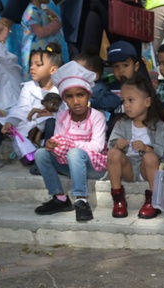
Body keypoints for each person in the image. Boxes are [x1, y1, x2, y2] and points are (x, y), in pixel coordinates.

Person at [0, 43, 62, 173]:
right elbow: (22, 108)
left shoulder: (62, 89)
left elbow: (66, 112)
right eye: (31, 64)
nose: (32, 68)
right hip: (30, 124)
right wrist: (11, 121)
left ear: (53, 70)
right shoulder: (28, 87)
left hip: (51, 127)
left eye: (38, 65)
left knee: (51, 122)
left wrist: (52, 115)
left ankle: (47, 161)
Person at [33, 61, 107, 222]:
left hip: (94, 166)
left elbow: (98, 146)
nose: (76, 101)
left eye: (80, 95)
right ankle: (59, 198)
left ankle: (81, 200)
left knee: (74, 153)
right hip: (70, 164)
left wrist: (71, 145)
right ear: (64, 99)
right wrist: (52, 145)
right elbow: (60, 141)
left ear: (88, 95)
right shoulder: (62, 116)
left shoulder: (97, 116)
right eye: (69, 96)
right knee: (41, 154)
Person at [107, 76, 164, 219]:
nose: (126, 105)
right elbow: (110, 144)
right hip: (128, 168)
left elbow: (163, 151)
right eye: (124, 101)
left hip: (148, 169)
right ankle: (118, 199)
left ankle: (153, 200)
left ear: (147, 102)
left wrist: (146, 148)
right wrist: (117, 144)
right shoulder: (121, 123)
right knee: (113, 154)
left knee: (150, 157)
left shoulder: (158, 125)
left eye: (131, 100)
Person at [20, 0, 68, 80]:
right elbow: (40, 32)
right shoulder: (31, 11)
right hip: (37, 54)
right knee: (36, 77)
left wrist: (54, 17)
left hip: (47, 53)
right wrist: (55, 24)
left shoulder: (41, 11)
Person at [73, 52, 122, 118]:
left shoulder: (99, 89)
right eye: (74, 71)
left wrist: (91, 102)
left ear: (95, 76)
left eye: (80, 72)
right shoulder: (71, 87)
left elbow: (115, 101)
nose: (76, 75)